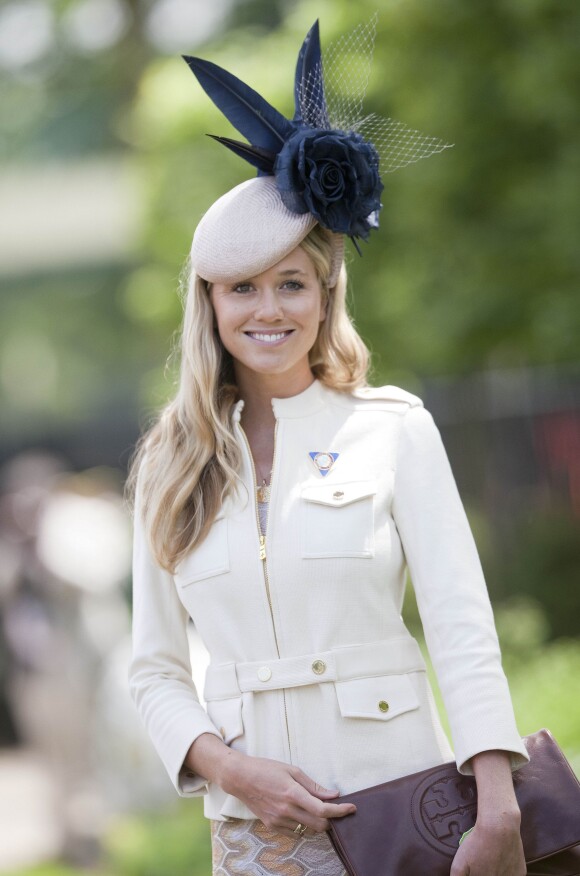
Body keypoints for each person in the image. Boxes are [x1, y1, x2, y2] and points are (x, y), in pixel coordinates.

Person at [127, 18, 530, 876]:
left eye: (291, 283)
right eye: (242, 288)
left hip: (405, 812)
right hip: (254, 836)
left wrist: (497, 805)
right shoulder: (170, 460)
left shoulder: (393, 428)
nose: (267, 309)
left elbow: (461, 628)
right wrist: (231, 770)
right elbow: (153, 671)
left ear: (325, 293)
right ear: (211, 305)